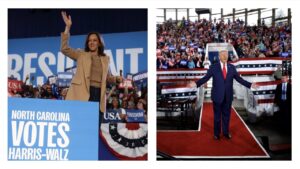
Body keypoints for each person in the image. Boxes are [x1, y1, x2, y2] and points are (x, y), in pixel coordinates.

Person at [60, 11, 122, 123]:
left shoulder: (105, 58)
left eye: (94, 40)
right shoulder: (81, 54)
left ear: (99, 43)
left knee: (95, 126)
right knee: (81, 125)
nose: (91, 43)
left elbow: (107, 78)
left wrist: (116, 79)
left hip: (99, 95)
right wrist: (67, 27)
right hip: (83, 93)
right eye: (89, 41)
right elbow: (64, 49)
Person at [189, 50, 257, 140]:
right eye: (223, 55)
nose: (225, 56)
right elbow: (206, 78)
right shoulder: (213, 67)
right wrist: (196, 84)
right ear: (219, 56)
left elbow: (239, 79)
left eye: (226, 55)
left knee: (227, 116)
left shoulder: (232, 67)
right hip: (217, 96)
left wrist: (250, 85)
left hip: (228, 96)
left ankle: (226, 132)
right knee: (217, 117)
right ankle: (216, 134)